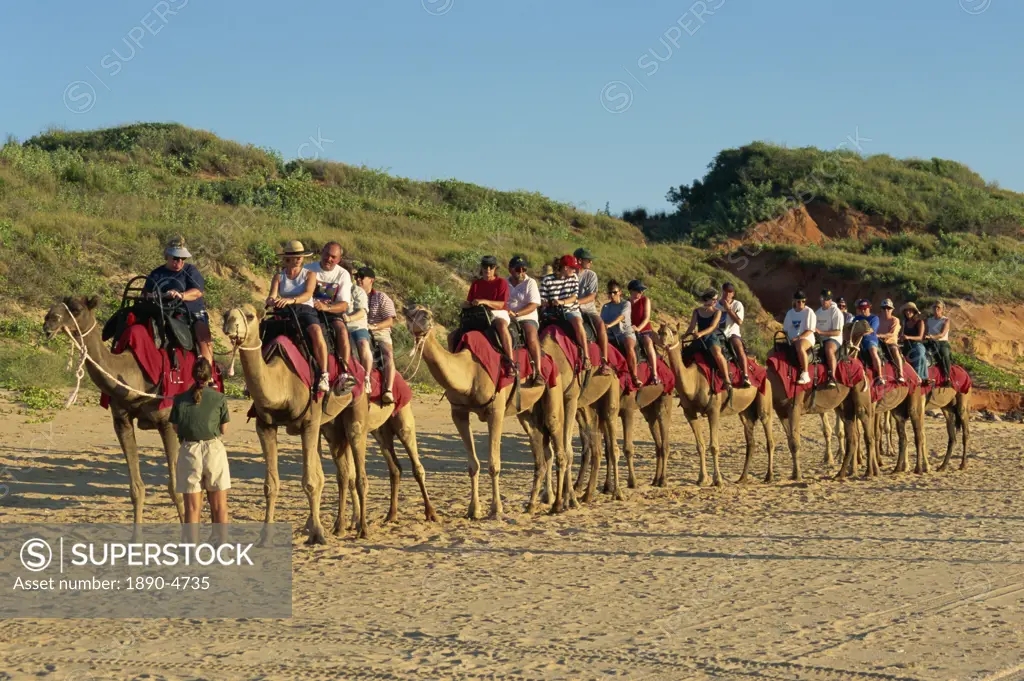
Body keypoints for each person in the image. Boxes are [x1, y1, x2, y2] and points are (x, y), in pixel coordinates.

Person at [170, 358, 230, 531]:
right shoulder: (219, 397)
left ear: (192, 374)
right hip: (213, 450)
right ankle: (222, 550)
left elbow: (175, 427)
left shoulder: (180, 399)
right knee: (219, 507)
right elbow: (224, 429)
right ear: (210, 374)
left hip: (190, 450)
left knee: (191, 509)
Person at [266, 240, 331, 393]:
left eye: (300, 256)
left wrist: (291, 300)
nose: (298, 259)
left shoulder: (309, 274)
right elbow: (271, 296)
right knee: (263, 331)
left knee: (316, 331)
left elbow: (307, 294)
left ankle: (323, 373)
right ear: (287, 258)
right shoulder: (279, 276)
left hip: (304, 309)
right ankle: (257, 371)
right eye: (295, 256)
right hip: (284, 310)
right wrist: (272, 301)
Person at [145, 236, 214, 367]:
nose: (180, 262)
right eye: (176, 258)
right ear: (167, 256)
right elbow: (146, 293)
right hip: (163, 310)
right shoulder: (156, 273)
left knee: (203, 338)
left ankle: (207, 371)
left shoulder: (190, 271)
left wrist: (181, 295)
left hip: (191, 311)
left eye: (183, 258)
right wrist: (161, 295)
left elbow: (197, 292)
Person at [306, 242, 354, 391]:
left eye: (333, 257)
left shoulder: (342, 274)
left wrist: (326, 307)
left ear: (339, 259)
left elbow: (344, 304)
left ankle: (344, 374)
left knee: (342, 330)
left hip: (331, 313)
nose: (329, 259)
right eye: (327, 255)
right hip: (308, 311)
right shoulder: (308, 269)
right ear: (322, 253)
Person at [540, 255, 591, 371]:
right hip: (552, 311)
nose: (575, 270)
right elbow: (542, 299)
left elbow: (574, 297)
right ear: (565, 268)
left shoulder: (573, 278)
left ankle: (586, 357)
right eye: (573, 268)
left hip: (570, 309)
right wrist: (548, 302)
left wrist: (562, 302)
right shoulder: (547, 280)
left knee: (578, 323)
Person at [462, 255, 514, 366]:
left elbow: (501, 304)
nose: (488, 270)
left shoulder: (501, 282)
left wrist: (484, 301)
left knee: (501, 326)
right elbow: (469, 301)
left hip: (498, 313)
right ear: (481, 268)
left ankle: (511, 362)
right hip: (479, 314)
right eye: (485, 266)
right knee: (453, 335)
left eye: (491, 267)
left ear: (495, 268)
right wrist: (466, 304)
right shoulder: (476, 284)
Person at [360, 267, 398, 405]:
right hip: (358, 328)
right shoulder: (352, 295)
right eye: (357, 277)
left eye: (361, 277)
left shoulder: (381, 297)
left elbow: (390, 320)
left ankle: (388, 390)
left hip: (379, 331)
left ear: (371, 280)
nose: (358, 279)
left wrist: (374, 327)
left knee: (387, 354)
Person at [574, 248, 612, 374]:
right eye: (588, 260)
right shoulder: (568, 273)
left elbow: (592, 296)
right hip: (570, 309)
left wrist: (577, 302)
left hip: (588, 310)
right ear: (579, 261)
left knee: (601, 325)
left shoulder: (591, 275)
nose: (591, 262)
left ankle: (604, 360)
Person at [685, 289, 732, 390]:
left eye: (716, 299)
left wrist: (700, 333)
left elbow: (712, 327)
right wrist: (684, 335)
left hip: (711, 337)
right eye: (714, 299)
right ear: (707, 299)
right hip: (698, 338)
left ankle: (727, 379)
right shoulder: (697, 311)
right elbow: (692, 326)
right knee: (685, 354)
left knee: (717, 354)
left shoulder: (717, 312)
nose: (716, 301)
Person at [507, 255, 543, 385]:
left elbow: (533, 304)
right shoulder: (505, 283)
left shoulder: (530, 282)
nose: (521, 272)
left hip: (526, 317)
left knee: (531, 335)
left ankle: (538, 372)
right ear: (510, 269)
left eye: (524, 269)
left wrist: (516, 314)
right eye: (518, 269)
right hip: (508, 317)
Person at [601, 280, 641, 386]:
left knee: (629, 347)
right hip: (611, 335)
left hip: (625, 333)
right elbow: (602, 321)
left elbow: (621, 317)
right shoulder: (605, 307)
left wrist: (609, 325)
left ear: (620, 292)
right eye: (609, 293)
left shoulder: (626, 304)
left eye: (614, 292)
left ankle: (634, 376)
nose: (612, 295)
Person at [345, 264, 374, 394]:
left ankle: (367, 377)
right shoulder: (331, 290)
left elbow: (362, 311)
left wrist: (349, 319)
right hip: (337, 325)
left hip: (356, 326)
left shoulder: (357, 291)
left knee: (363, 344)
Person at [717, 282, 750, 387]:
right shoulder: (716, 305)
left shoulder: (737, 304)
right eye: (725, 291)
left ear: (733, 294)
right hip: (719, 334)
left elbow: (739, 322)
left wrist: (728, 309)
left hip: (733, 333)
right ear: (722, 291)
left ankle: (745, 376)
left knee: (739, 347)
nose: (727, 294)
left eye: (730, 292)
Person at [628, 279, 660, 385]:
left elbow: (646, 318)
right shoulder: (626, 303)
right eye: (638, 290)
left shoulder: (645, 300)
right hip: (630, 330)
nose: (641, 292)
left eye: (642, 290)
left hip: (645, 330)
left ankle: (655, 374)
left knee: (648, 342)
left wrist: (638, 328)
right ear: (631, 291)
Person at [783, 291, 817, 385]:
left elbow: (810, 330)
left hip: (807, 338)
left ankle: (805, 374)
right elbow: (785, 329)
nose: (801, 303)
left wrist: (798, 338)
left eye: (803, 301)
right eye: (799, 301)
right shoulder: (790, 313)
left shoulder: (809, 312)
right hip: (792, 339)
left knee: (800, 346)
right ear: (794, 301)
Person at [815, 289, 844, 387]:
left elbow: (837, 332)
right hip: (819, 338)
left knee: (829, 349)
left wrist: (821, 332)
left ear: (830, 300)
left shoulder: (836, 312)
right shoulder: (817, 312)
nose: (824, 301)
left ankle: (832, 376)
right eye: (823, 299)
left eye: (827, 299)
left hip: (834, 338)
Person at [853, 299, 885, 384]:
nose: (863, 310)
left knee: (873, 352)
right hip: (857, 339)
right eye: (861, 309)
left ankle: (880, 376)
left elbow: (871, 330)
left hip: (870, 339)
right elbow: (851, 328)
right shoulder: (857, 318)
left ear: (869, 308)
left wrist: (861, 333)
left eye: (865, 308)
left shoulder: (874, 318)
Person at [876, 298, 906, 384]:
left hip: (890, 342)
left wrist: (879, 335)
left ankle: (900, 374)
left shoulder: (895, 320)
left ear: (892, 309)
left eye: (888, 308)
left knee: (895, 350)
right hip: (877, 342)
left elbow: (892, 334)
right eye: (884, 308)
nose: (886, 310)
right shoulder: (877, 319)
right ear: (881, 309)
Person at [925, 300, 953, 384]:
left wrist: (932, 336)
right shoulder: (929, 320)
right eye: (934, 307)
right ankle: (924, 375)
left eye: (938, 307)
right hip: (930, 342)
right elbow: (925, 332)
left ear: (942, 310)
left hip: (942, 342)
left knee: (944, 354)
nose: (936, 309)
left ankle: (947, 377)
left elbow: (942, 334)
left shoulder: (946, 320)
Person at [901, 302, 928, 384]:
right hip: (906, 345)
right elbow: (901, 334)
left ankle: (918, 377)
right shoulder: (904, 322)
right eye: (906, 311)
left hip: (917, 345)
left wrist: (908, 337)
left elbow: (920, 337)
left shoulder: (920, 322)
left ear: (914, 312)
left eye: (910, 310)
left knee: (919, 355)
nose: (908, 312)